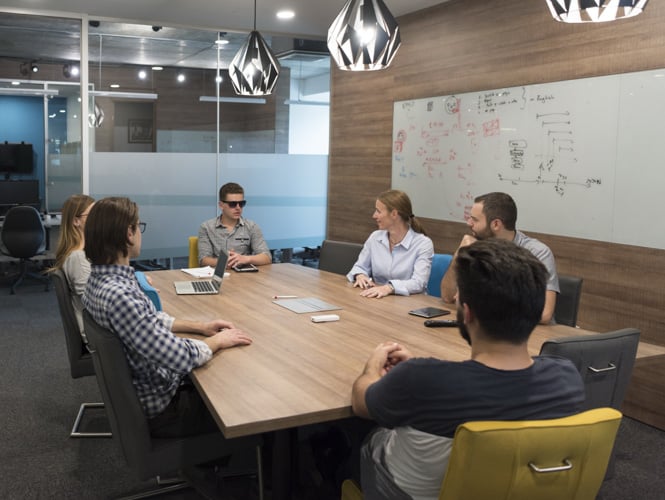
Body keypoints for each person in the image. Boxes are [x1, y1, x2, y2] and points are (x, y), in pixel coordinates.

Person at [352, 239, 584, 500]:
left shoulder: (420, 379)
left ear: (467, 313)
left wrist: (374, 365)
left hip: (400, 491)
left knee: (363, 436)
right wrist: (421, 374)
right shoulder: (566, 377)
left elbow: (362, 403)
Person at [82, 197, 252, 437]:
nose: (140, 233)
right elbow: (180, 357)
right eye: (138, 227)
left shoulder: (102, 281)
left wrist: (200, 327)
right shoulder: (120, 296)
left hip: (146, 391)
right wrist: (218, 341)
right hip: (165, 411)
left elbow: (148, 320)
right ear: (128, 234)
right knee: (243, 390)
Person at [440, 192, 559, 323]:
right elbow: (447, 297)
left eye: (475, 219)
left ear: (496, 224)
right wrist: (459, 255)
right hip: (489, 329)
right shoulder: (476, 247)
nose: (469, 223)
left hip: (529, 335)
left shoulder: (537, 253)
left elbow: (545, 313)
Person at [347, 190, 433, 298]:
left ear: (394, 214)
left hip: (409, 304)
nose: (374, 215)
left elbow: (418, 283)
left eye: (378, 211)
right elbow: (360, 267)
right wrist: (360, 275)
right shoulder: (375, 237)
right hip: (378, 300)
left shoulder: (423, 244)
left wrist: (389, 288)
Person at [49, 194, 95, 343]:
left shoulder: (85, 252)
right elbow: (93, 302)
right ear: (76, 221)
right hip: (96, 334)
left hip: (97, 328)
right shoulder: (78, 258)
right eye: (92, 214)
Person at [198, 182, 271, 269]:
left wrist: (245, 259)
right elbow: (203, 260)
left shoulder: (251, 227)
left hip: (245, 277)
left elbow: (267, 257)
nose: (238, 208)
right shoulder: (207, 227)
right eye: (232, 204)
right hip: (219, 275)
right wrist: (224, 262)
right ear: (221, 205)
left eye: (241, 203)